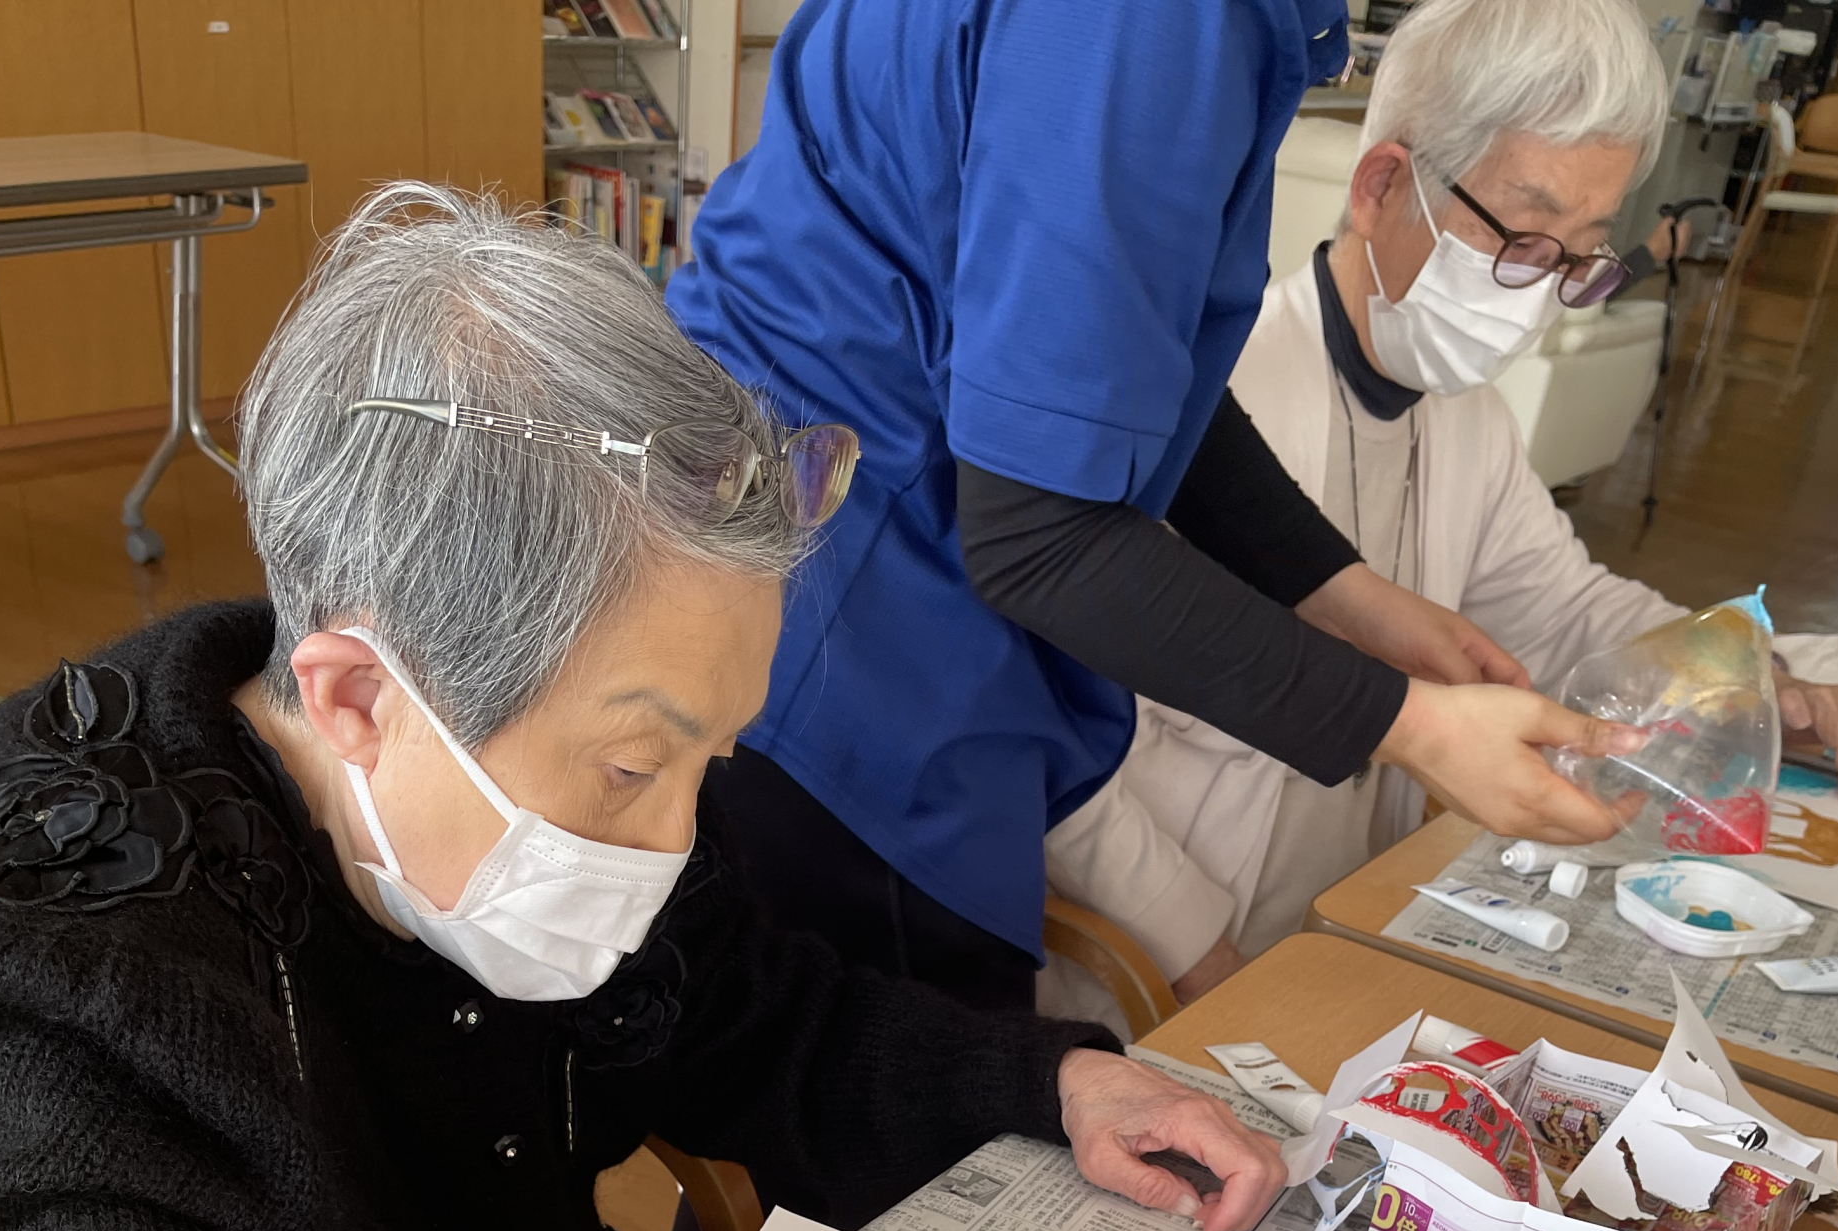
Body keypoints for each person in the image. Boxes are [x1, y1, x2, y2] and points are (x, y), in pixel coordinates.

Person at [0, 187, 1289, 1231]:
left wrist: (1047, 1082)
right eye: (638, 767)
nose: (675, 842)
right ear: (356, 698)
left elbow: (750, 1017)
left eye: (715, 757)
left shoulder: (523, 746)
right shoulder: (64, 1002)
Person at [668, 0, 1649, 1014]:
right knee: (887, 1083)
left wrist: (1343, 592)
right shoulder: (1151, 19)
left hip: (816, 561)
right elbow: (1041, 538)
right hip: (845, 629)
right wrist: (1411, 724)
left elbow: (1097, 352)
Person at [1043, 0, 1838, 975]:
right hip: (1182, 961)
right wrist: (1197, 959)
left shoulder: (1468, 418)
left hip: (1368, 929)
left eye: (1580, 255)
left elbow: (1566, 614)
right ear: (1382, 187)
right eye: (1524, 239)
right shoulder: (1201, 403)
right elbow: (1056, 746)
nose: (1543, 293)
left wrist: (1749, 678)